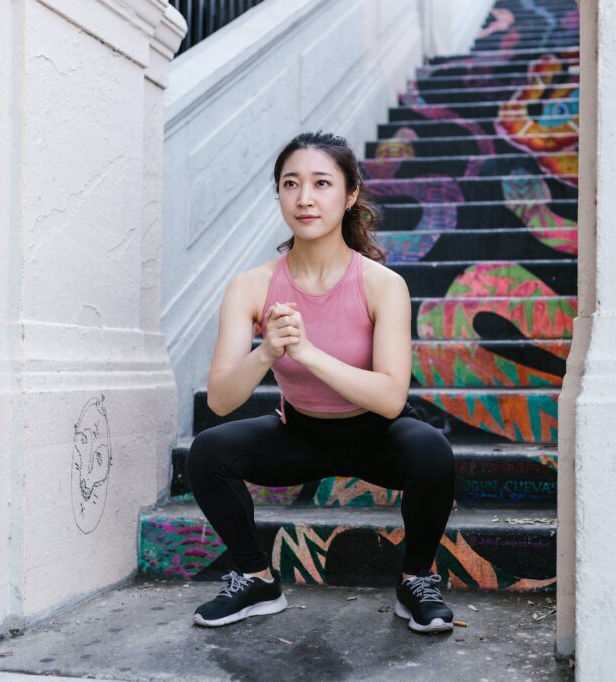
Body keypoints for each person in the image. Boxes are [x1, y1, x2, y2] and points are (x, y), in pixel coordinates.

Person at [185, 131, 456, 634]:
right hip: (301, 433)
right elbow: (222, 400)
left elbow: (392, 395)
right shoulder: (251, 286)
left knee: (433, 451)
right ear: (280, 194)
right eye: (291, 184)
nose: (305, 197)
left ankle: (417, 579)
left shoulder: (381, 284)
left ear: (350, 194)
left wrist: (308, 354)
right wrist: (266, 350)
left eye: (321, 183)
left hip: (377, 433)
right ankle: (255, 577)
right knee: (208, 450)